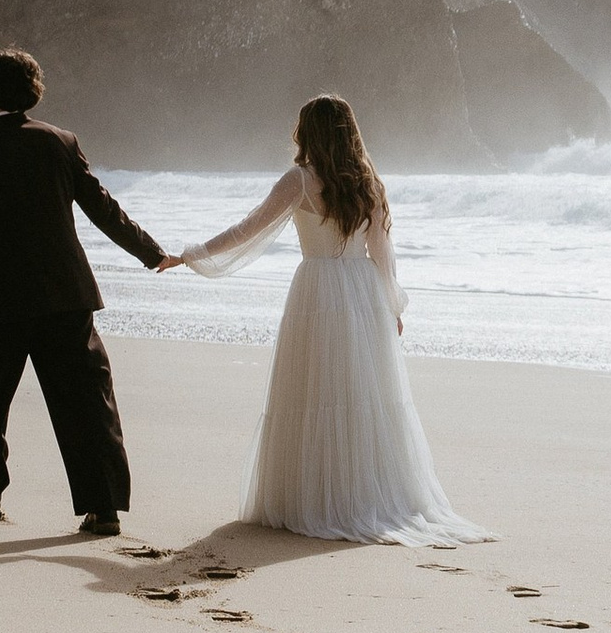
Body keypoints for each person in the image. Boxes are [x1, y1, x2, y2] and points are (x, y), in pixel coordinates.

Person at [181, 95, 484, 548]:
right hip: (362, 294)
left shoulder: (300, 180)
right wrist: (392, 307)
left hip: (318, 290)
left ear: (308, 132)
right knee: (360, 399)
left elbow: (250, 228)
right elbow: (383, 257)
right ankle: (360, 495)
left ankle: (318, 499)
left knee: (315, 393)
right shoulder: (369, 184)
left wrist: (192, 255)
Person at [0, 48, 179, 537]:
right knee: (86, 399)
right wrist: (151, 253)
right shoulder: (60, 142)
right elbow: (105, 209)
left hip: (1, 301)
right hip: (65, 296)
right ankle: (102, 509)